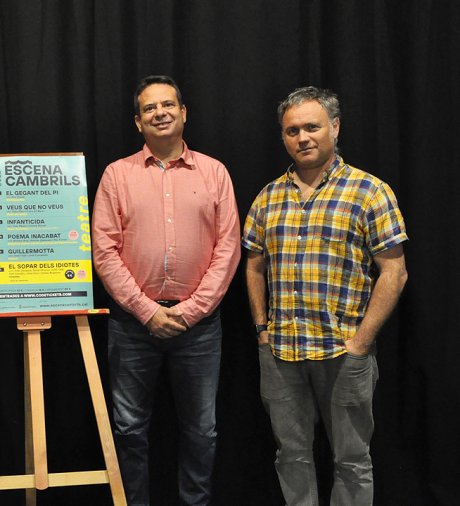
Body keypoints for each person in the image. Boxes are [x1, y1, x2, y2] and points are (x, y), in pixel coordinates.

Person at [243, 86, 409, 505]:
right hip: (281, 354)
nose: (303, 138)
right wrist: (262, 331)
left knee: (352, 459)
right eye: (292, 130)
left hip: (344, 353)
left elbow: (395, 271)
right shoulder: (267, 197)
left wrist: (361, 342)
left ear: (334, 127)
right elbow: (254, 266)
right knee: (291, 456)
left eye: (312, 127)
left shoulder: (369, 191)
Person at [92, 75, 241, 505]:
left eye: (168, 105)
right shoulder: (116, 176)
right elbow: (104, 252)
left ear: (184, 113)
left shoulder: (215, 173)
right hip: (132, 326)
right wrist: (147, 312)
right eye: (149, 108)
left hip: (200, 329)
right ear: (138, 122)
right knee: (129, 429)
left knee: (201, 431)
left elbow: (227, 249)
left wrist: (190, 312)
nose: (160, 113)